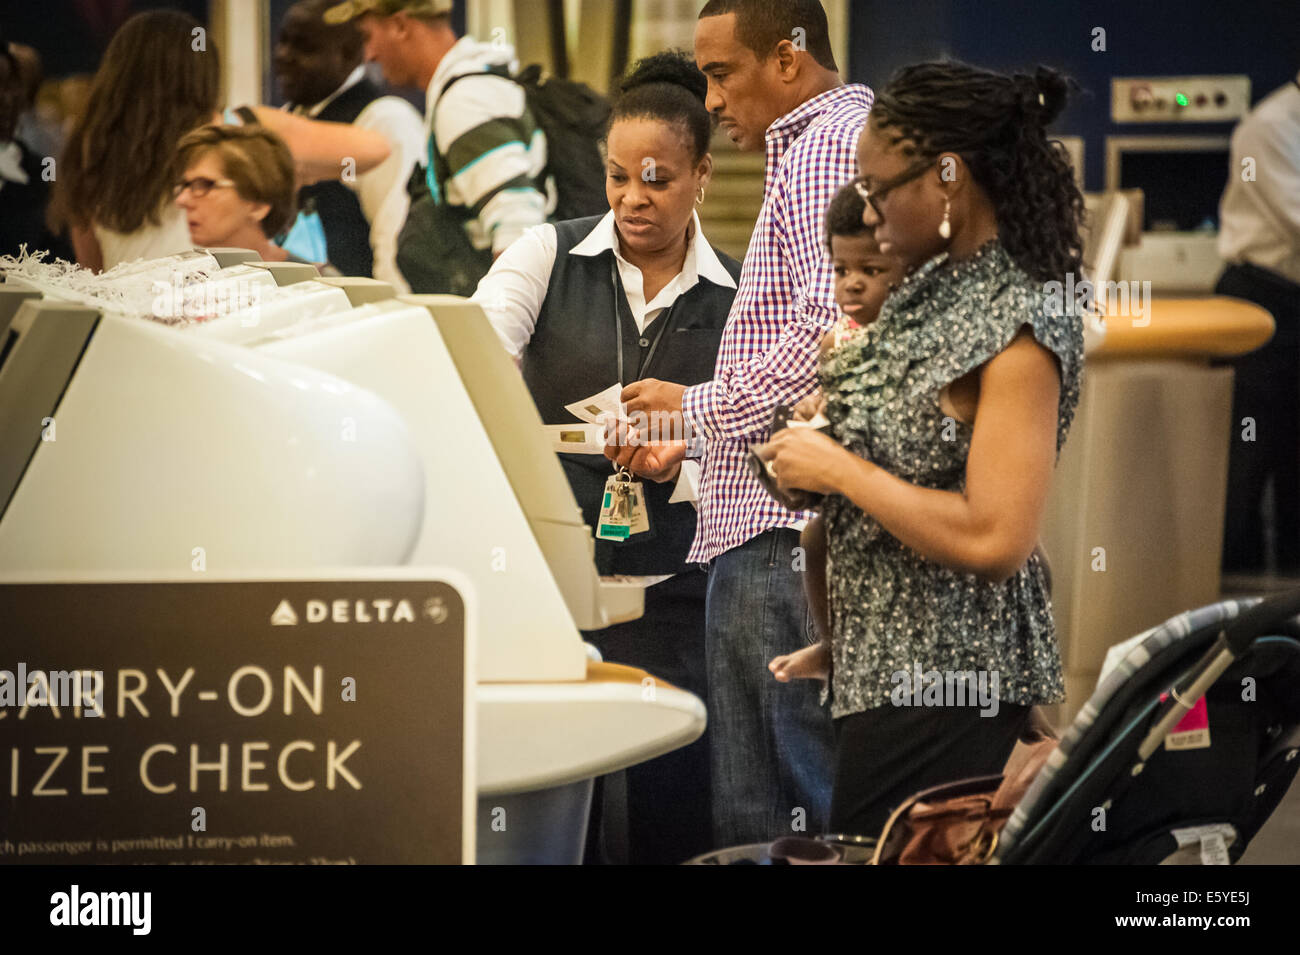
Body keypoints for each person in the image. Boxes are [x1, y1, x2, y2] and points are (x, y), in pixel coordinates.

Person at [757, 60, 1086, 836]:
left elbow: (996, 535)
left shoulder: (1021, 317)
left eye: (878, 187)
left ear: (947, 177)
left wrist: (840, 468)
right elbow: (883, 444)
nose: (865, 212)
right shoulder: (930, 285)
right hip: (881, 668)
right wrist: (806, 462)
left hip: (949, 678)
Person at [472, 51, 740, 864]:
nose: (631, 198)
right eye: (618, 176)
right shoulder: (544, 257)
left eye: (656, 178)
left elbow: (757, 452)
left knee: (671, 804)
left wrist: (683, 466)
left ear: (700, 174)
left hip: (677, 594)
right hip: (557, 593)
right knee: (565, 808)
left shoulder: (737, 297)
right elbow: (476, 347)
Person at [615, 0, 870, 848]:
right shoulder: (820, 146)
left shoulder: (828, 147)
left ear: (789, 62)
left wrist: (695, 404)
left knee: (776, 806)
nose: (711, 98)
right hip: (781, 517)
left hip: (782, 528)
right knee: (773, 797)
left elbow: (828, 327)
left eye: (723, 74)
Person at [51, 10, 392, 273]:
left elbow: (94, 269)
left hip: (132, 325)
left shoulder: (87, 150)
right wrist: (283, 170)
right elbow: (375, 148)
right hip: (222, 317)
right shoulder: (237, 130)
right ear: (201, 73)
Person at [768, 181, 904, 686]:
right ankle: (832, 646)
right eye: (842, 270)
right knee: (815, 534)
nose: (852, 285)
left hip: (906, 493)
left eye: (872, 271)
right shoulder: (836, 341)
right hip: (852, 490)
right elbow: (832, 400)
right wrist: (812, 410)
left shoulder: (912, 339)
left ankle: (1031, 721)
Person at [324, 0, 553, 269]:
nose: (370, 54)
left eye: (368, 37)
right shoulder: (468, 87)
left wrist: (500, 308)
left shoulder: (465, 101)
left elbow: (517, 225)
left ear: (400, 25)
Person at [1215, 68, 1300, 575]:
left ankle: (1290, 607)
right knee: (1245, 460)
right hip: (1263, 303)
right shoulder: (1268, 128)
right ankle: (1228, 608)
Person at [275, 0, 425, 288]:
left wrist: (395, 315)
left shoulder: (384, 120)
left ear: (347, 54)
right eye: (282, 42)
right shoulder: (285, 118)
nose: (284, 56)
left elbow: (396, 239)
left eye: (303, 47)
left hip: (359, 314)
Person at [173, 124, 337, 274]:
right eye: (185, 185)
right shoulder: (178, 281)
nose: (182, 200)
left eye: (203, 185)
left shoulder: (319, 289)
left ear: (258, 205)